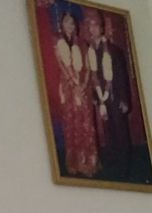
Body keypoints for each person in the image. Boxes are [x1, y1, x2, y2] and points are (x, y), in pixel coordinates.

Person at [85, 10, 132, 180]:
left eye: (95, 25)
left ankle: (125, 166)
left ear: (102, 28)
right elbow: (93, 77)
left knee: (120, 131)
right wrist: (95, 97)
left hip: (115, 97)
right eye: (90, 26)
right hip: (102, 100)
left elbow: (122, 77)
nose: (92, 29)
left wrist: (124, 100)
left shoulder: (113, 50)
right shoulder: (90, 52)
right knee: (109, 131)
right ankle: (113, 160)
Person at [54, 13, 99, 178]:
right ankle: (75, 162)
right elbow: (62, 66)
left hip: (83, 88)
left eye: (72, 23)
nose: (70, 25)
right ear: (62, 25)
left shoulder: (82, 44)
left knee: (86, 122)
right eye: (67, 22)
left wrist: (84, 85)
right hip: (69, 88)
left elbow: (88, 67)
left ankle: (89, 162)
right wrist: (74, 85)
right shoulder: (58, 43)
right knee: (73, 122)